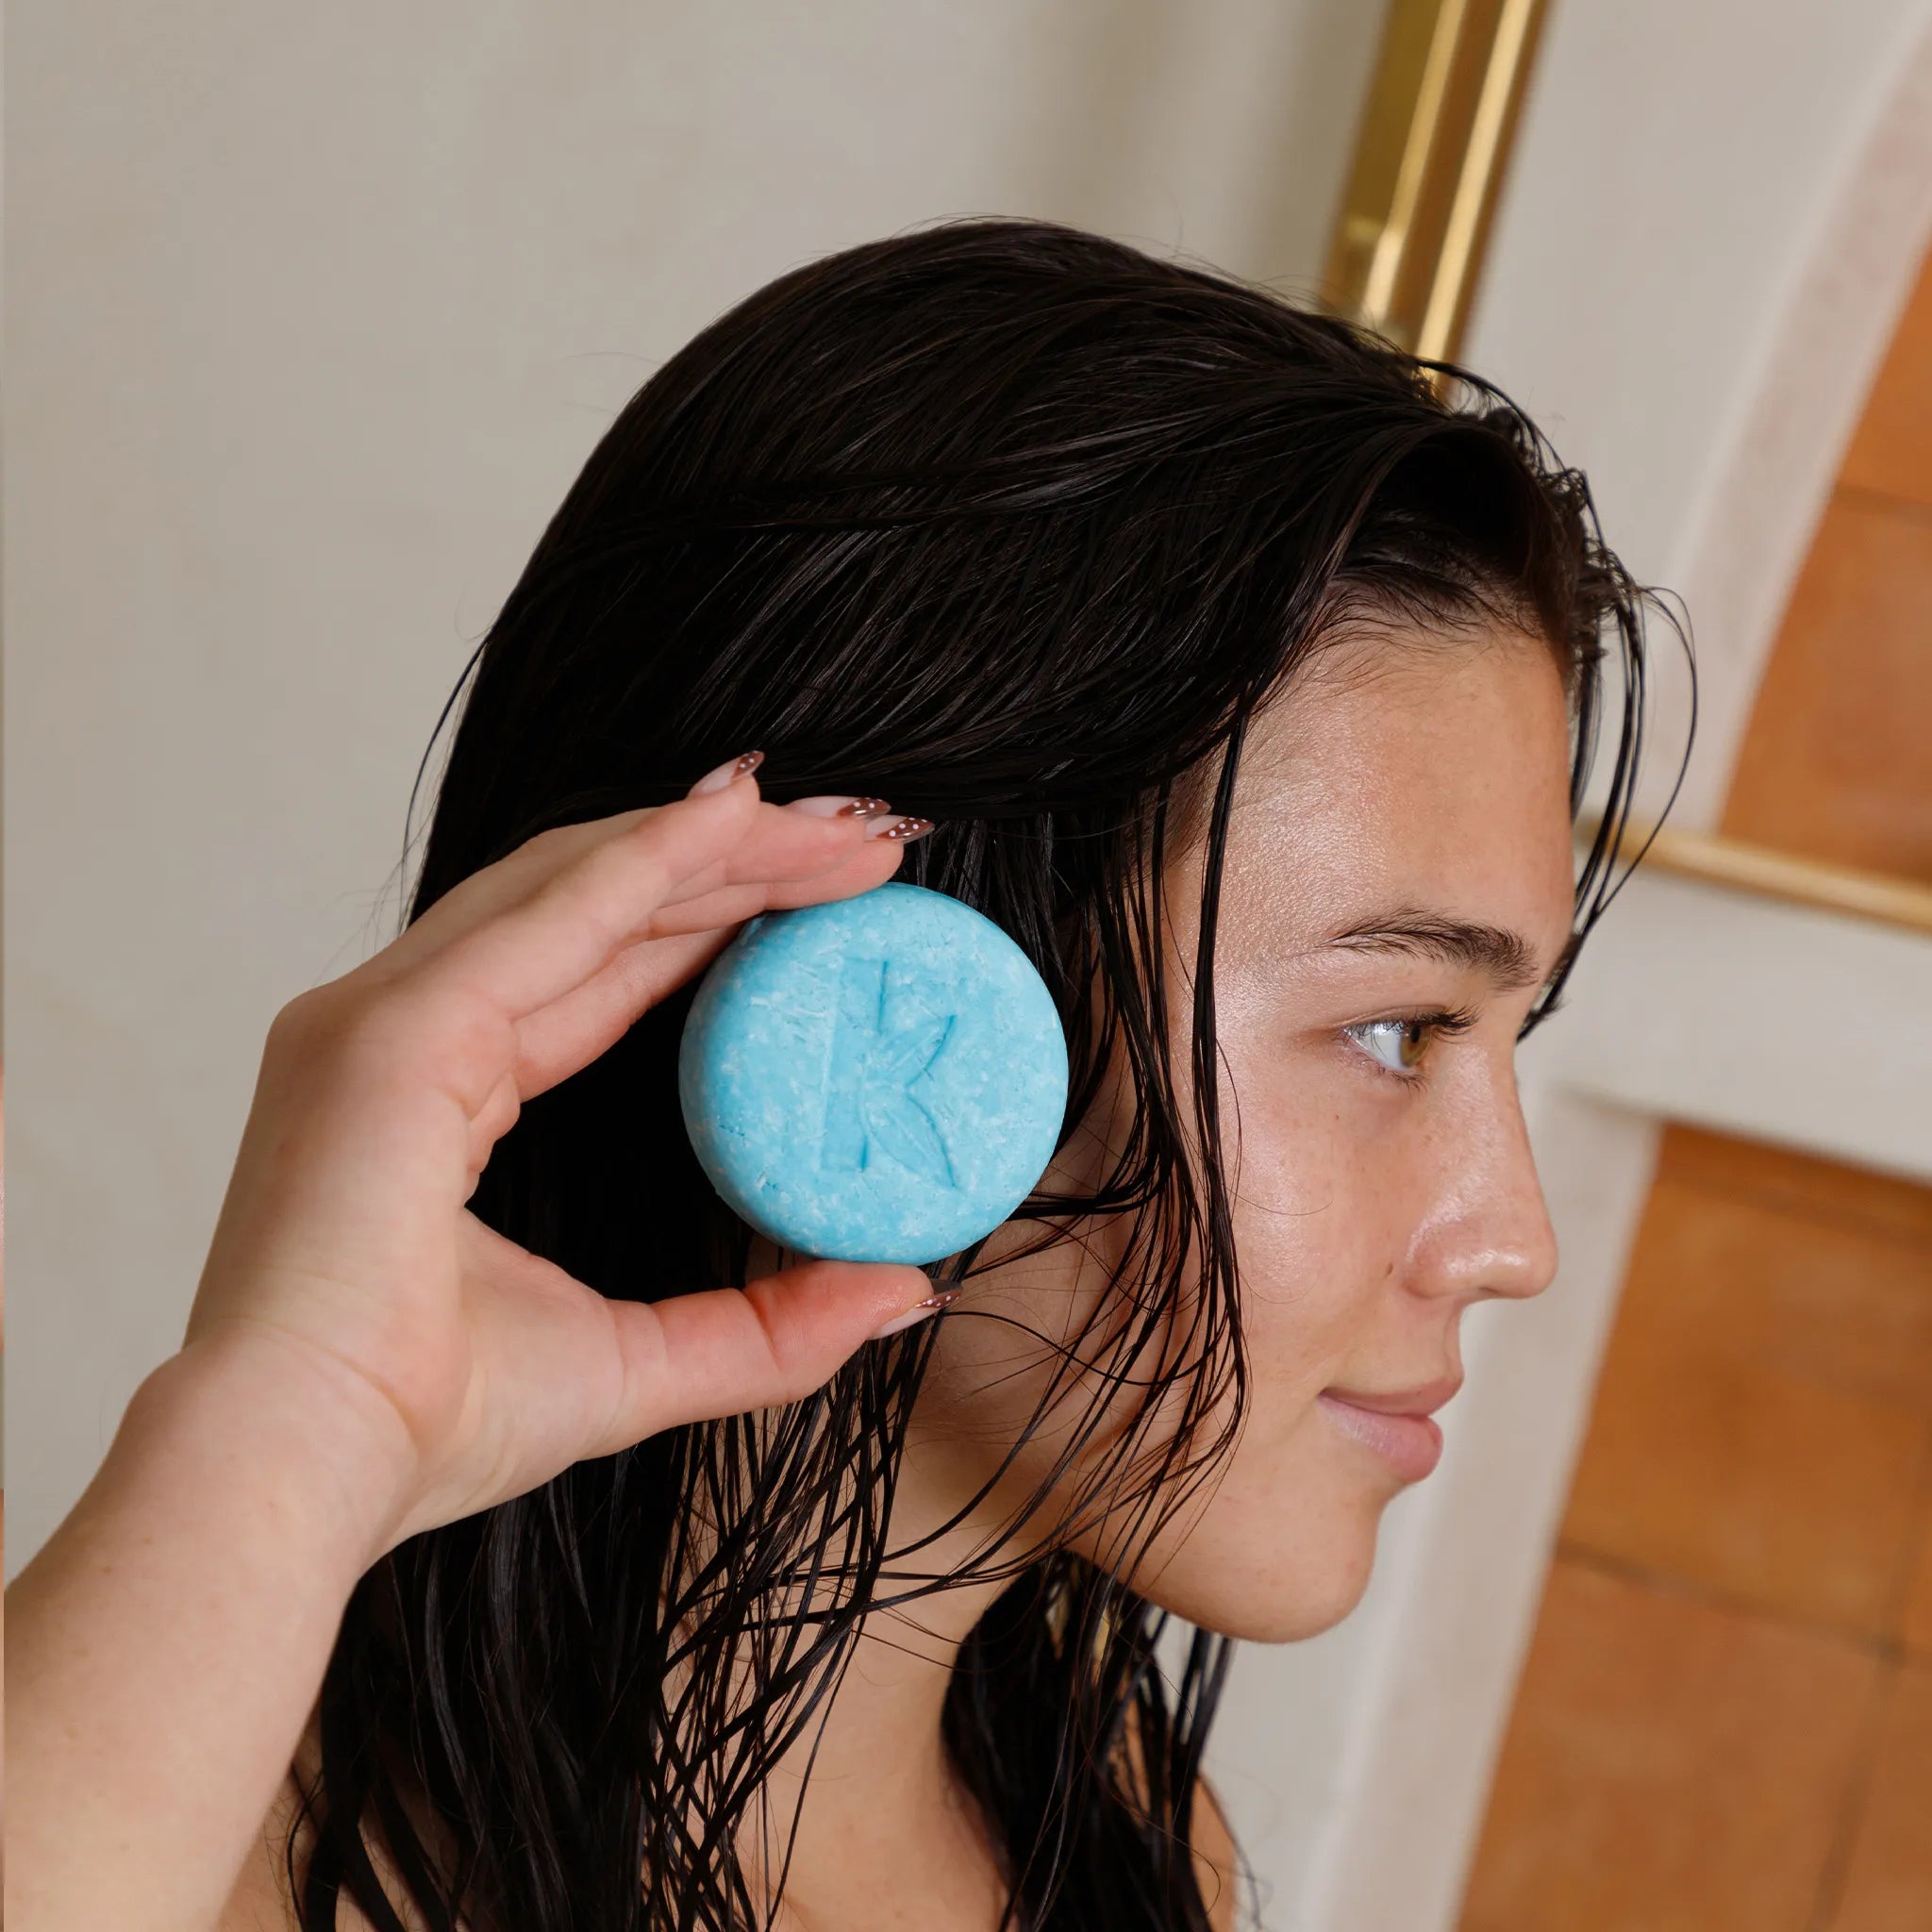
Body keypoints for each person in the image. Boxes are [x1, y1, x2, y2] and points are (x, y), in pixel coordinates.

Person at [10, 217, 1679, 1932]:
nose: (1513, 1239)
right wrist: (295, 1424)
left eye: (1505, 1037)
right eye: (1398, 1028)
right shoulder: (217, 1883)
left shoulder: (1116, 1835)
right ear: (879, 998)